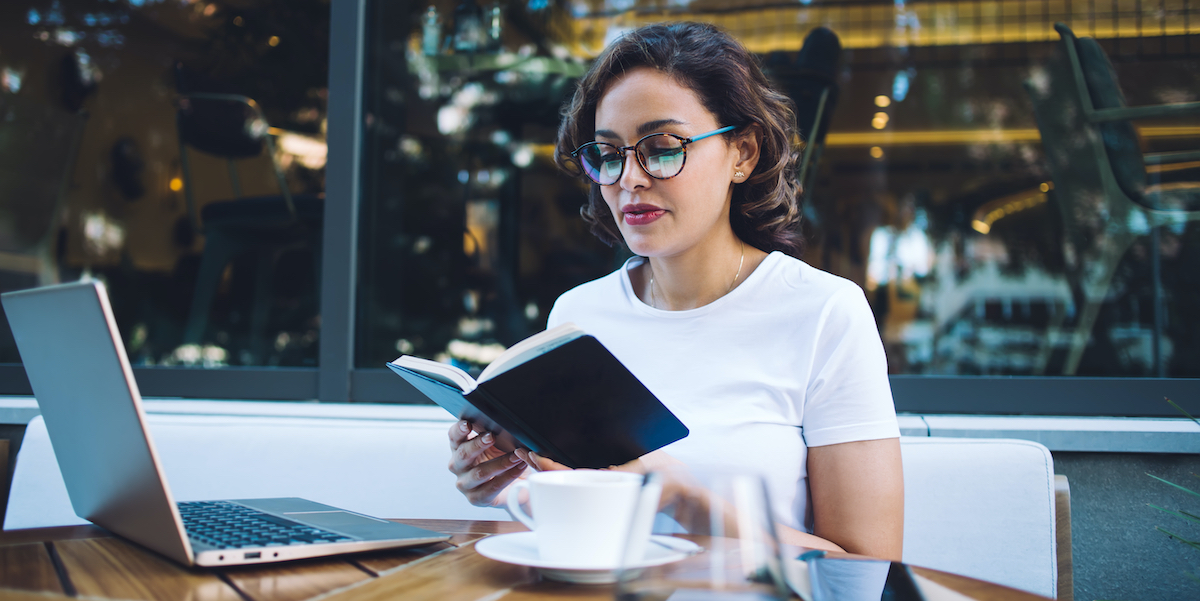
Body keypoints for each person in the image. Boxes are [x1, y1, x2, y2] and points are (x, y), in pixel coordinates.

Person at [447, 21, 903, 560]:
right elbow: (579, 520)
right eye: (609, 154)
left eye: (662, 148)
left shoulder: (825, 312)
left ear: (743, 153)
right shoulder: (580, 313)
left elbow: (871, 568)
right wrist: (509, 481)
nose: (630, 179)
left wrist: (684, 498)